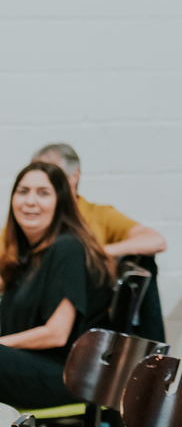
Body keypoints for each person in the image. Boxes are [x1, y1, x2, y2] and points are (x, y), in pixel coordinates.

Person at [0, 161, 114, 407]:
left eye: (43, 193)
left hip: (65, 378)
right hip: (35, 367)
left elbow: (57, 334)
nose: (30, 201)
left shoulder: (67, 248)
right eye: (23, 191)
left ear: (60, 203)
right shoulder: (28, 255)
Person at [32, 144, 167, 258]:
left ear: (74, 176)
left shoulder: (98, 214)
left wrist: (97, 253)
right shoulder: (31, 215)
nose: (41, 182)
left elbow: (155, 240)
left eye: (52, 175)